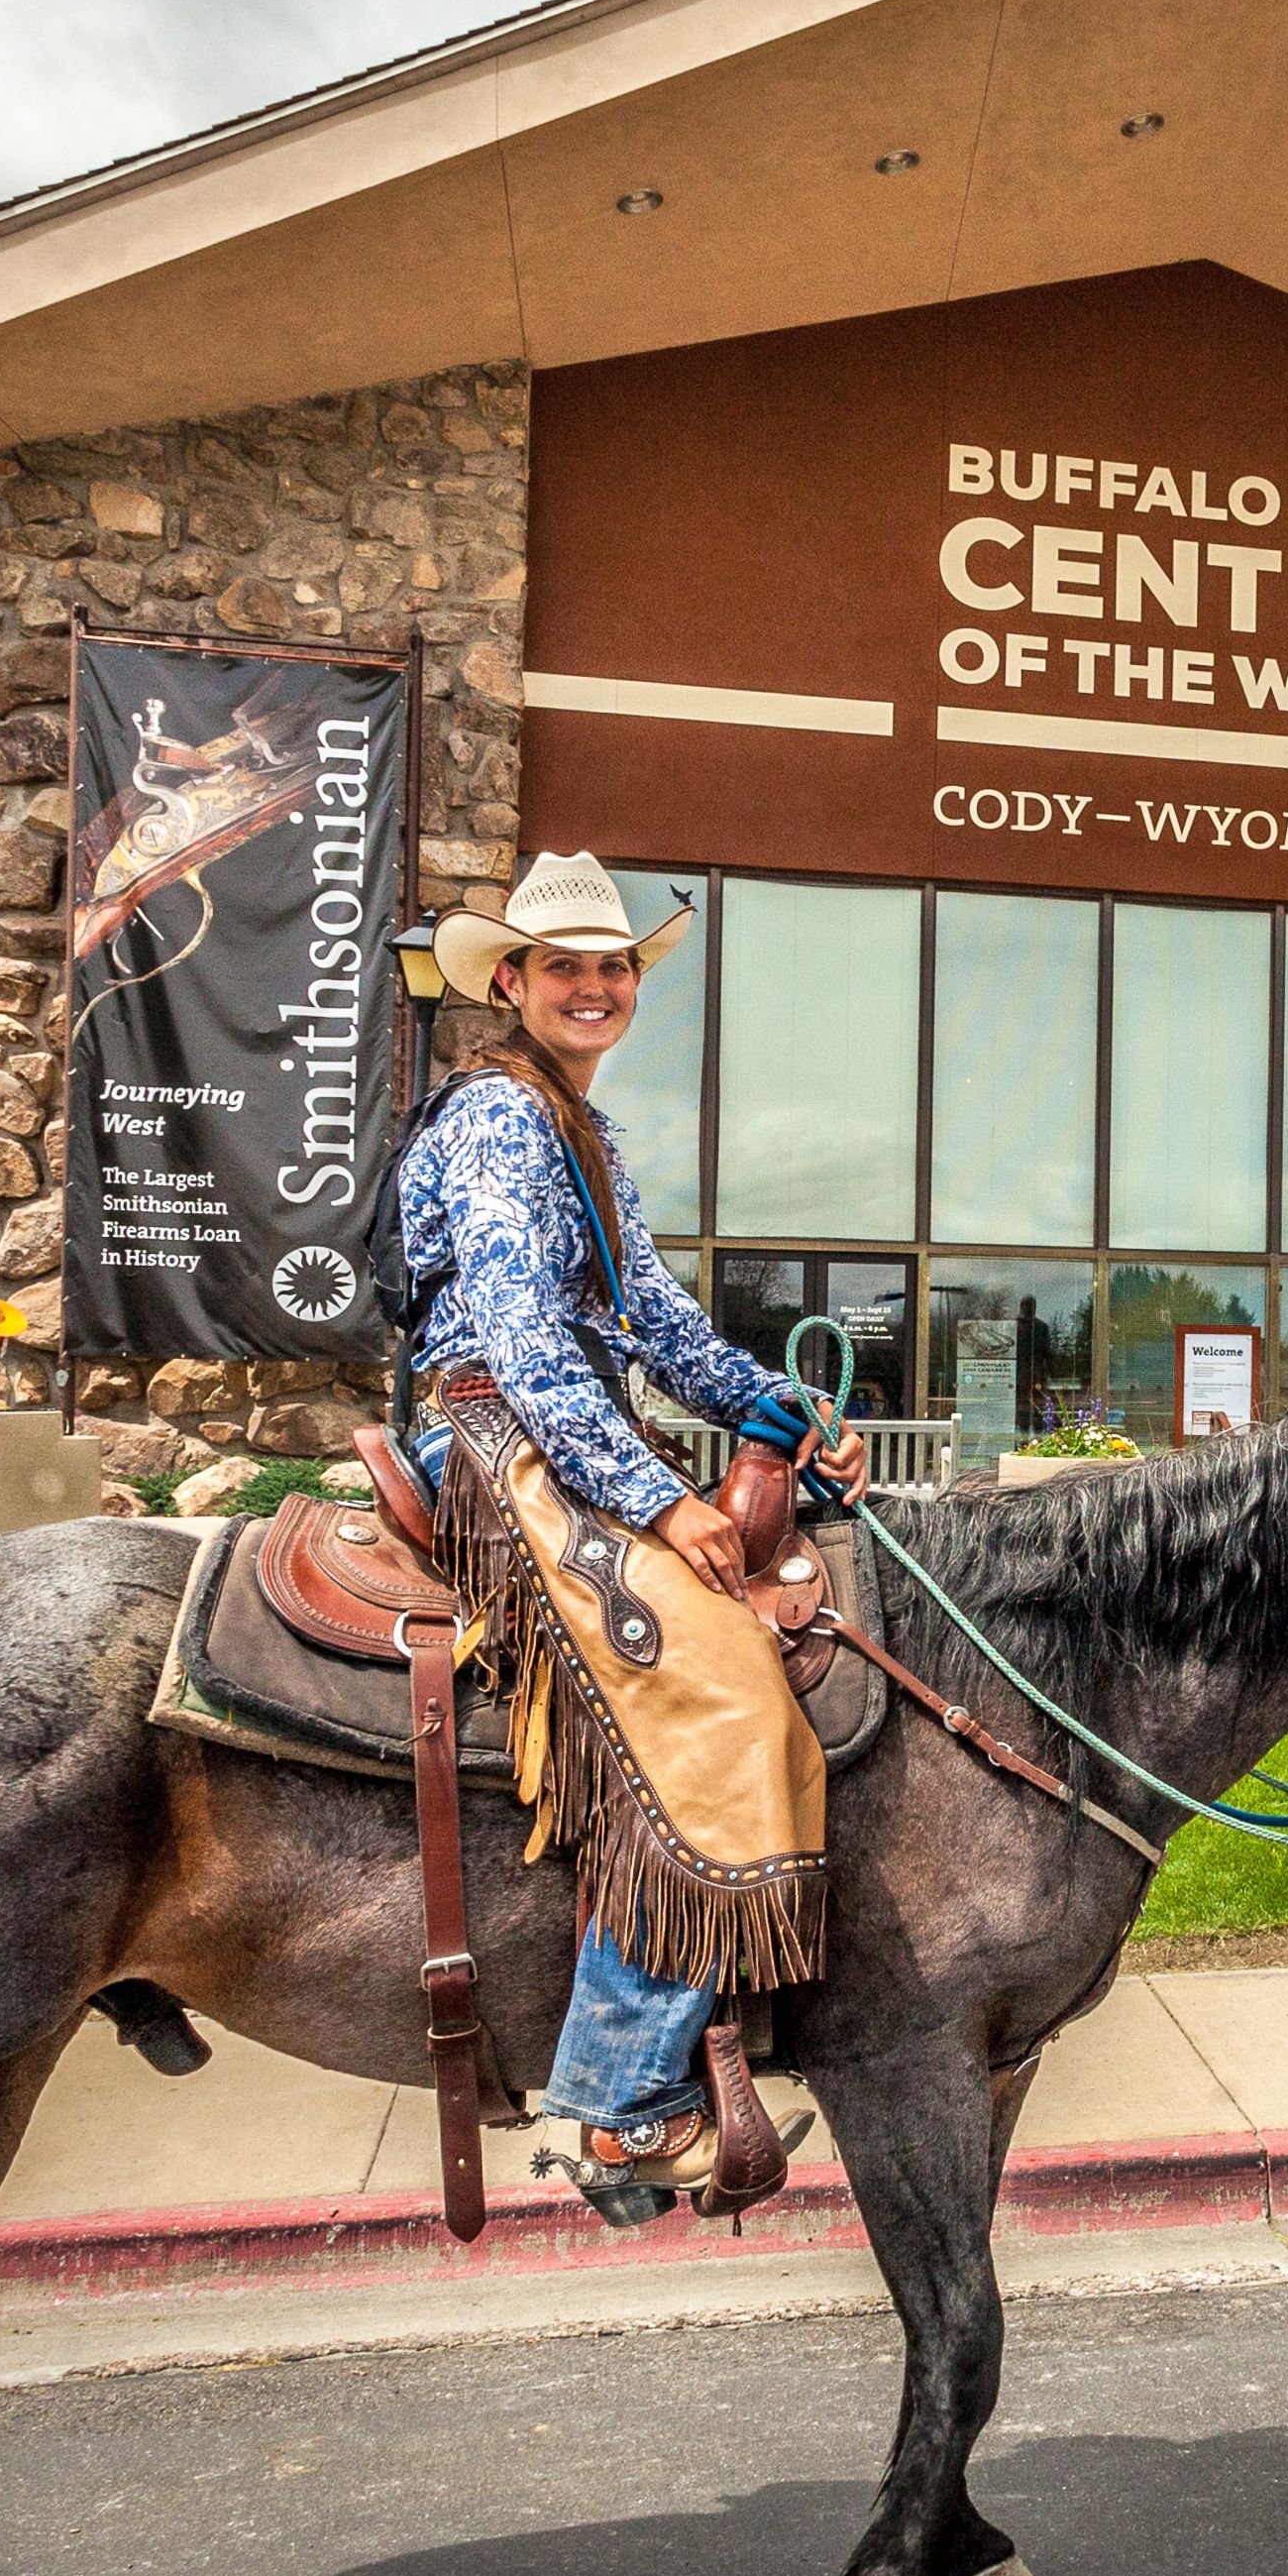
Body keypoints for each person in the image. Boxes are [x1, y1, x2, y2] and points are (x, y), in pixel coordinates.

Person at [395, 851, 863, 2209]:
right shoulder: (497, 1118)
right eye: (566, 967)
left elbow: (653, 1322)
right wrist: (657, 1495)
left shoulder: (579, 1126)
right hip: (498, 1433)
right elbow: (528, 1338)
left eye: (614, 968)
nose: (595, 987)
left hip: (562, 1423)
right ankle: (618, 2101)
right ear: (512, 981)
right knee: (714, 1695)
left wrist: (785, 1403)